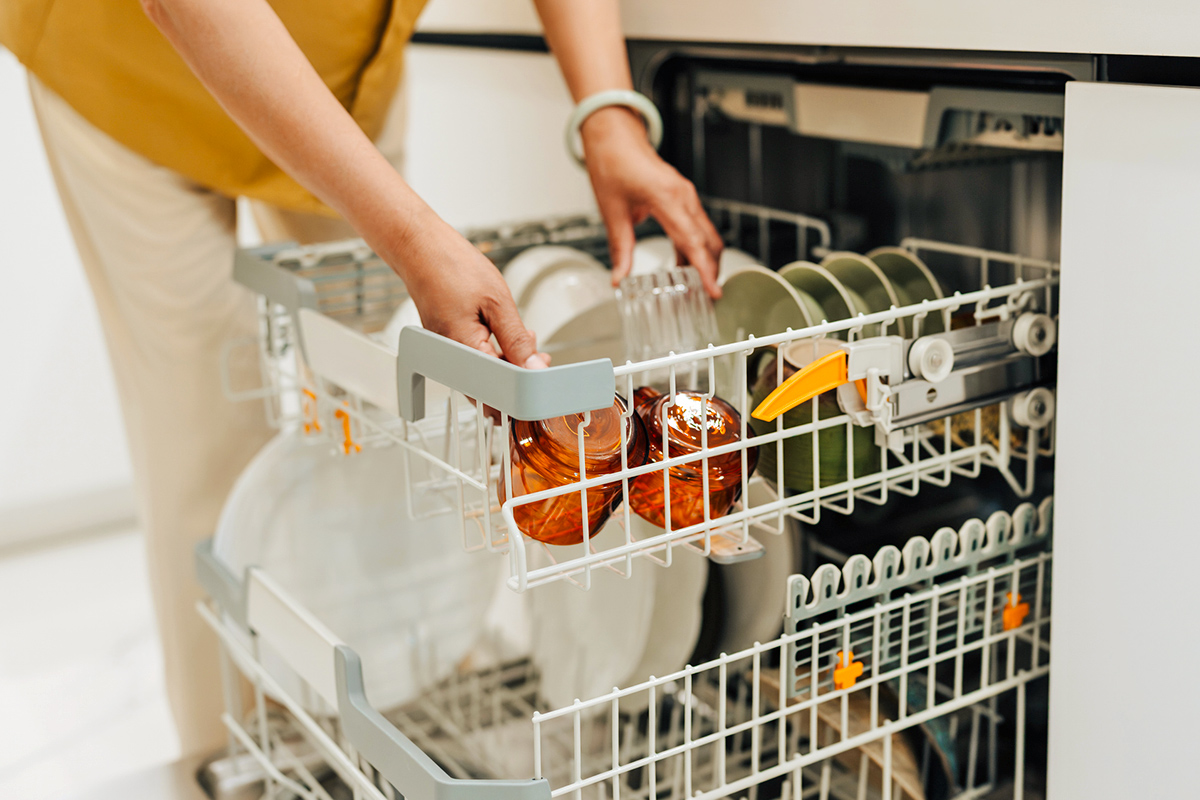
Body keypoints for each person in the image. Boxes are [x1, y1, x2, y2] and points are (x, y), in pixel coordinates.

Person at [1, 0, 722, 758]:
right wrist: (412, 238)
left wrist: (607, 114)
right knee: (207, 439)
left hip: (343, 71)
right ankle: (246, 762)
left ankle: (389, 705)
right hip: (129, 66)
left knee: (389, 414)